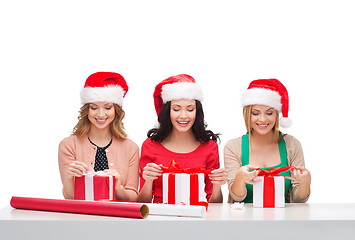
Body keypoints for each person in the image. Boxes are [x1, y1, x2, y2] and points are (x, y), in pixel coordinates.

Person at [137, 74, 227, 203]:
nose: (183, 116)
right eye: (176, 109)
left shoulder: (210, 147)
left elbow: (215, 205)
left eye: (190, 109)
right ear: (168, 112)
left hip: (197, 218)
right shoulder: (150, 146)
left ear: (197, 112)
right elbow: (141, 204)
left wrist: (218, 184)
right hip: (160, 218)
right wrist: (148, 180)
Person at [224, 78, 311, 203]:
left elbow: (299, 199)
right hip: (244, 220)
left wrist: (305, 182)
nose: (263, 119)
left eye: (269, 113)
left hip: (283, 219)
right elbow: (237, 197)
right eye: (255, 113)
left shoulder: (292, 145)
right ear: (247, 114)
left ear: (277, 114)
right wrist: (240, 178)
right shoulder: (232, 147)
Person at [58, 72, 139, 201]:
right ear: (86, 110)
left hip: (116, 218)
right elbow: (69, 196)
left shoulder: (131, 148)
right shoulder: (68, 145)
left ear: (116, 111)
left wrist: (118, 187)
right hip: (81, 217)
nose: (101, 114)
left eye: (107, 108)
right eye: (94, 108)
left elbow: (133, 197)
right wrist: (69, 177)